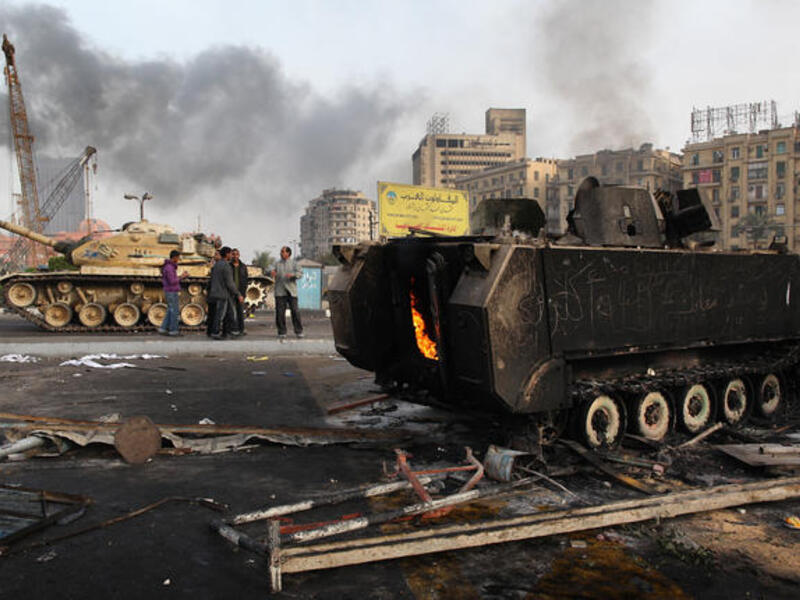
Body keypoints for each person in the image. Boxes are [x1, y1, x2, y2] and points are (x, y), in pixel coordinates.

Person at [207, 246, 243, 340]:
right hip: (223, 294)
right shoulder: (226, 266)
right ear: (227, 254)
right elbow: (229, 283)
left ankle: (234, 331)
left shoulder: (217, 265)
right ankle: (215, 332)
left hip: (218, 293)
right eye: (230, 253)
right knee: (220, 314)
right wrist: (238, 294)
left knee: (230, 312)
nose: (232, 255)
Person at [271, 246, 303, 339]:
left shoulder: (294, 263)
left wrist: (293, 275)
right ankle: (282, 331)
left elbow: (300, 273)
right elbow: (271, 269)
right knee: (280, 313)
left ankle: (299, 331)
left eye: (283, 252)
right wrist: (272, 272)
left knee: (295, 311)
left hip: (291, 291)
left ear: (288, 253)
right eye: (281, 251)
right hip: (280, 291)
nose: (281, 253)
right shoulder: (277, 263)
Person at [159, 249, 188, 336]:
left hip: (170, 290)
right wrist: (182, 276)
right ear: (174, 257)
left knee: (170, 310)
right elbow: (172, 281)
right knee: (174, 310)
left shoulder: (169, 267)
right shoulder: (169, 267)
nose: (178, 259)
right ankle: (173, 330)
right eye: (178, 257)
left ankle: (163, 328)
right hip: (171, 290)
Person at [230, 248, 249, 335]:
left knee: (240, 312)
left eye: (236, 254)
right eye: (233, 254)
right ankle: (233, 329)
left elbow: (245, 280)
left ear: (239, 255)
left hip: (240, 292)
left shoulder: (243, 267)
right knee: (232, 312)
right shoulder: (228, 266)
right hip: (231, 292)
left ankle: (241, 329)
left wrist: (243, 294)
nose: (235, 256)